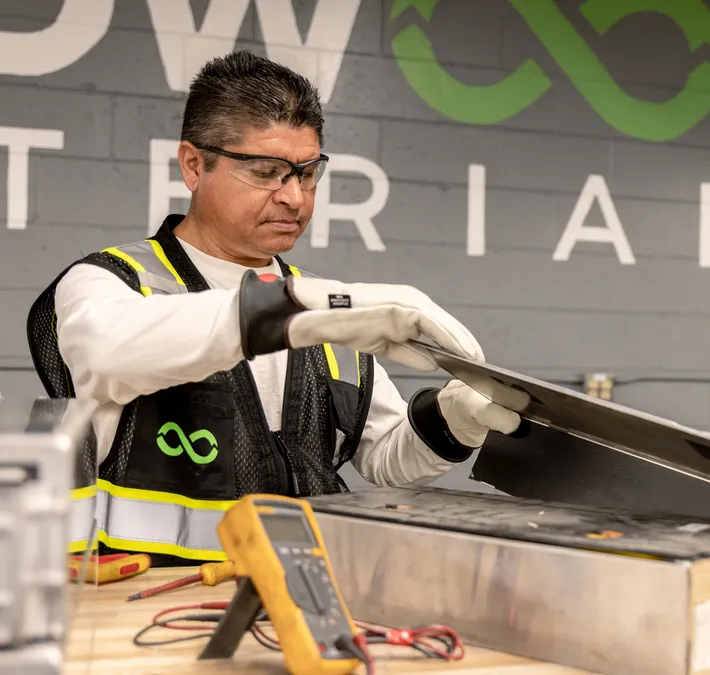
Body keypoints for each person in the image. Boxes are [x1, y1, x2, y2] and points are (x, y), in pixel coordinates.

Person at [26, 51, 522, 565]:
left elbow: (383, 458)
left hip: (302, 595)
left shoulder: (321, 309)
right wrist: (302, 310)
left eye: (307, 174)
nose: (295, 198)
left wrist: (454, 420)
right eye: (267, 172)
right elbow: (108, 354)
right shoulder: (112, 282)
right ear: (194, 165)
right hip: (146, 605)